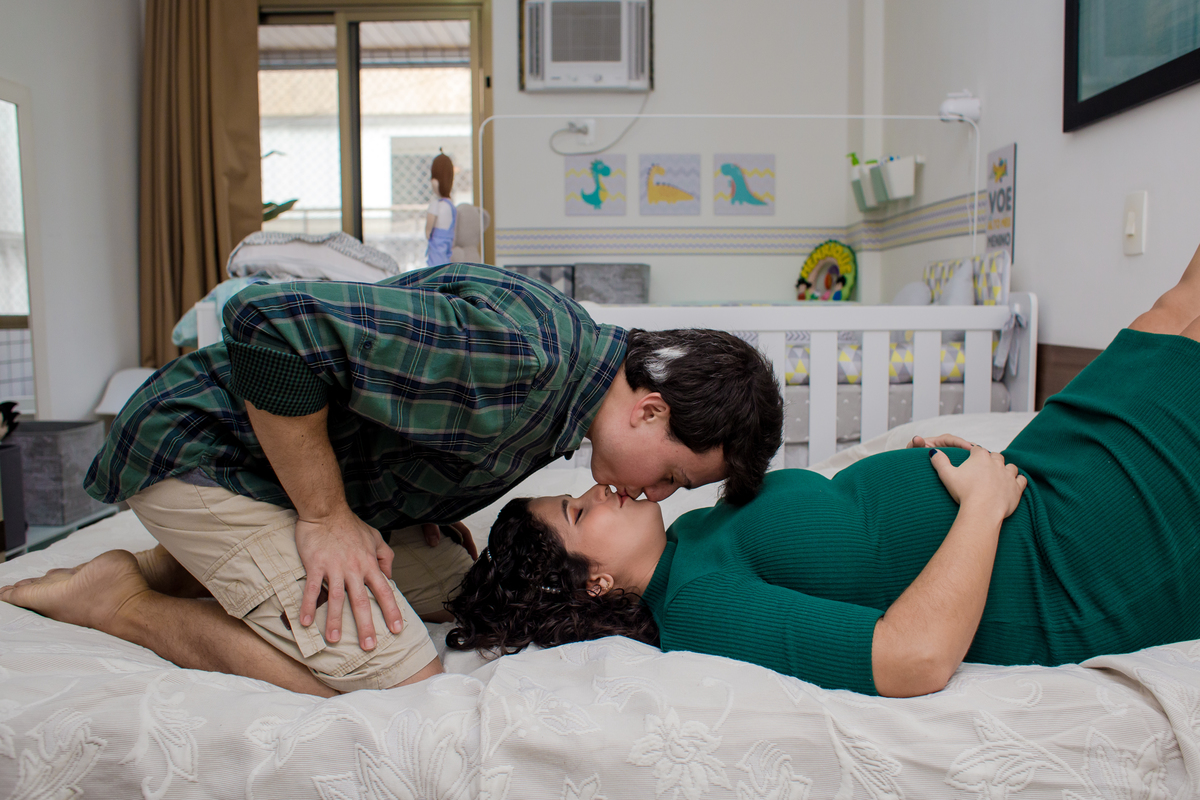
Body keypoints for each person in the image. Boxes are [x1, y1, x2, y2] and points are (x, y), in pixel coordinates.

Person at [444, 244, 1200, 697]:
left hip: (1030, 488)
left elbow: (852, 542)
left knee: (1174, 309)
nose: (596, 488)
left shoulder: (691, 541)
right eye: (578, 513)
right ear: (596, 582)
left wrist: (925, 467)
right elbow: (912, 658)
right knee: (1185, 323)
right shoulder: (697, 609)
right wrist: (975, 507)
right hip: (1064, 562)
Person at [0, 261, 781, 697]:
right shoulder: (523, 357)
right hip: (207, 454)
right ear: (649, 411)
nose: (655, 497)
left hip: (275, 471)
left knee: (451, 580)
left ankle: (170, 565)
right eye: (673, 476)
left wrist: (423, 495)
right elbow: (268, 324)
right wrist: (325, 516)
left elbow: (394, 389)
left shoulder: (574, 380)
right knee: (398, 675)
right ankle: (122, 602)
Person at [425, 152, 457, 268]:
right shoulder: (451, 206)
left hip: (436, 257)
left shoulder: (435, 205)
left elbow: (428, 231)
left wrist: (429, 233)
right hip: (447, 257)